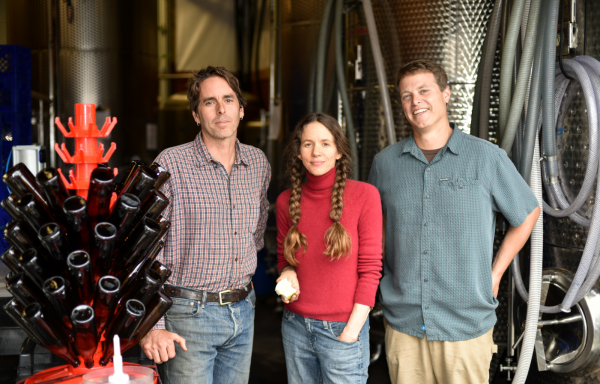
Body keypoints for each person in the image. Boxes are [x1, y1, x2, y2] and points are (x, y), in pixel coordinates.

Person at [368, 59, 540, 384]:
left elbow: (528, 212)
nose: (415, 101)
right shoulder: (385, 164)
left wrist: (496, 272)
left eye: (423, 90)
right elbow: (375, 232)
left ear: (445, 94)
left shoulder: (486, 158)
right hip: (403, 324)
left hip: (465, 324)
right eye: (406, 95)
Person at [139, 66, 271, 384]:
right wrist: (152, 326)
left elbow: (257, 232)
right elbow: (145, 250)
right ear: (197, 114)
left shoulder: (257, 163)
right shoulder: (171, 164)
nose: (221, 109)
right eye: (209, 102)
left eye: (228, 99)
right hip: (188, 314)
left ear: (241, 109)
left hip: (242, 309)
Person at [276, 113, 383, 384]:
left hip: (343, 328)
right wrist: (287, 271)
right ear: (299, 153)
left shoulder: (364, 195)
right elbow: (282, 258)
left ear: (338, 151)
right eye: (308, 144)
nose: (316, 152)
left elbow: (371, 270)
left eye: (325, 143)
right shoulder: (286, 201)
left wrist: (352, 331)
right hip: (295, 327)